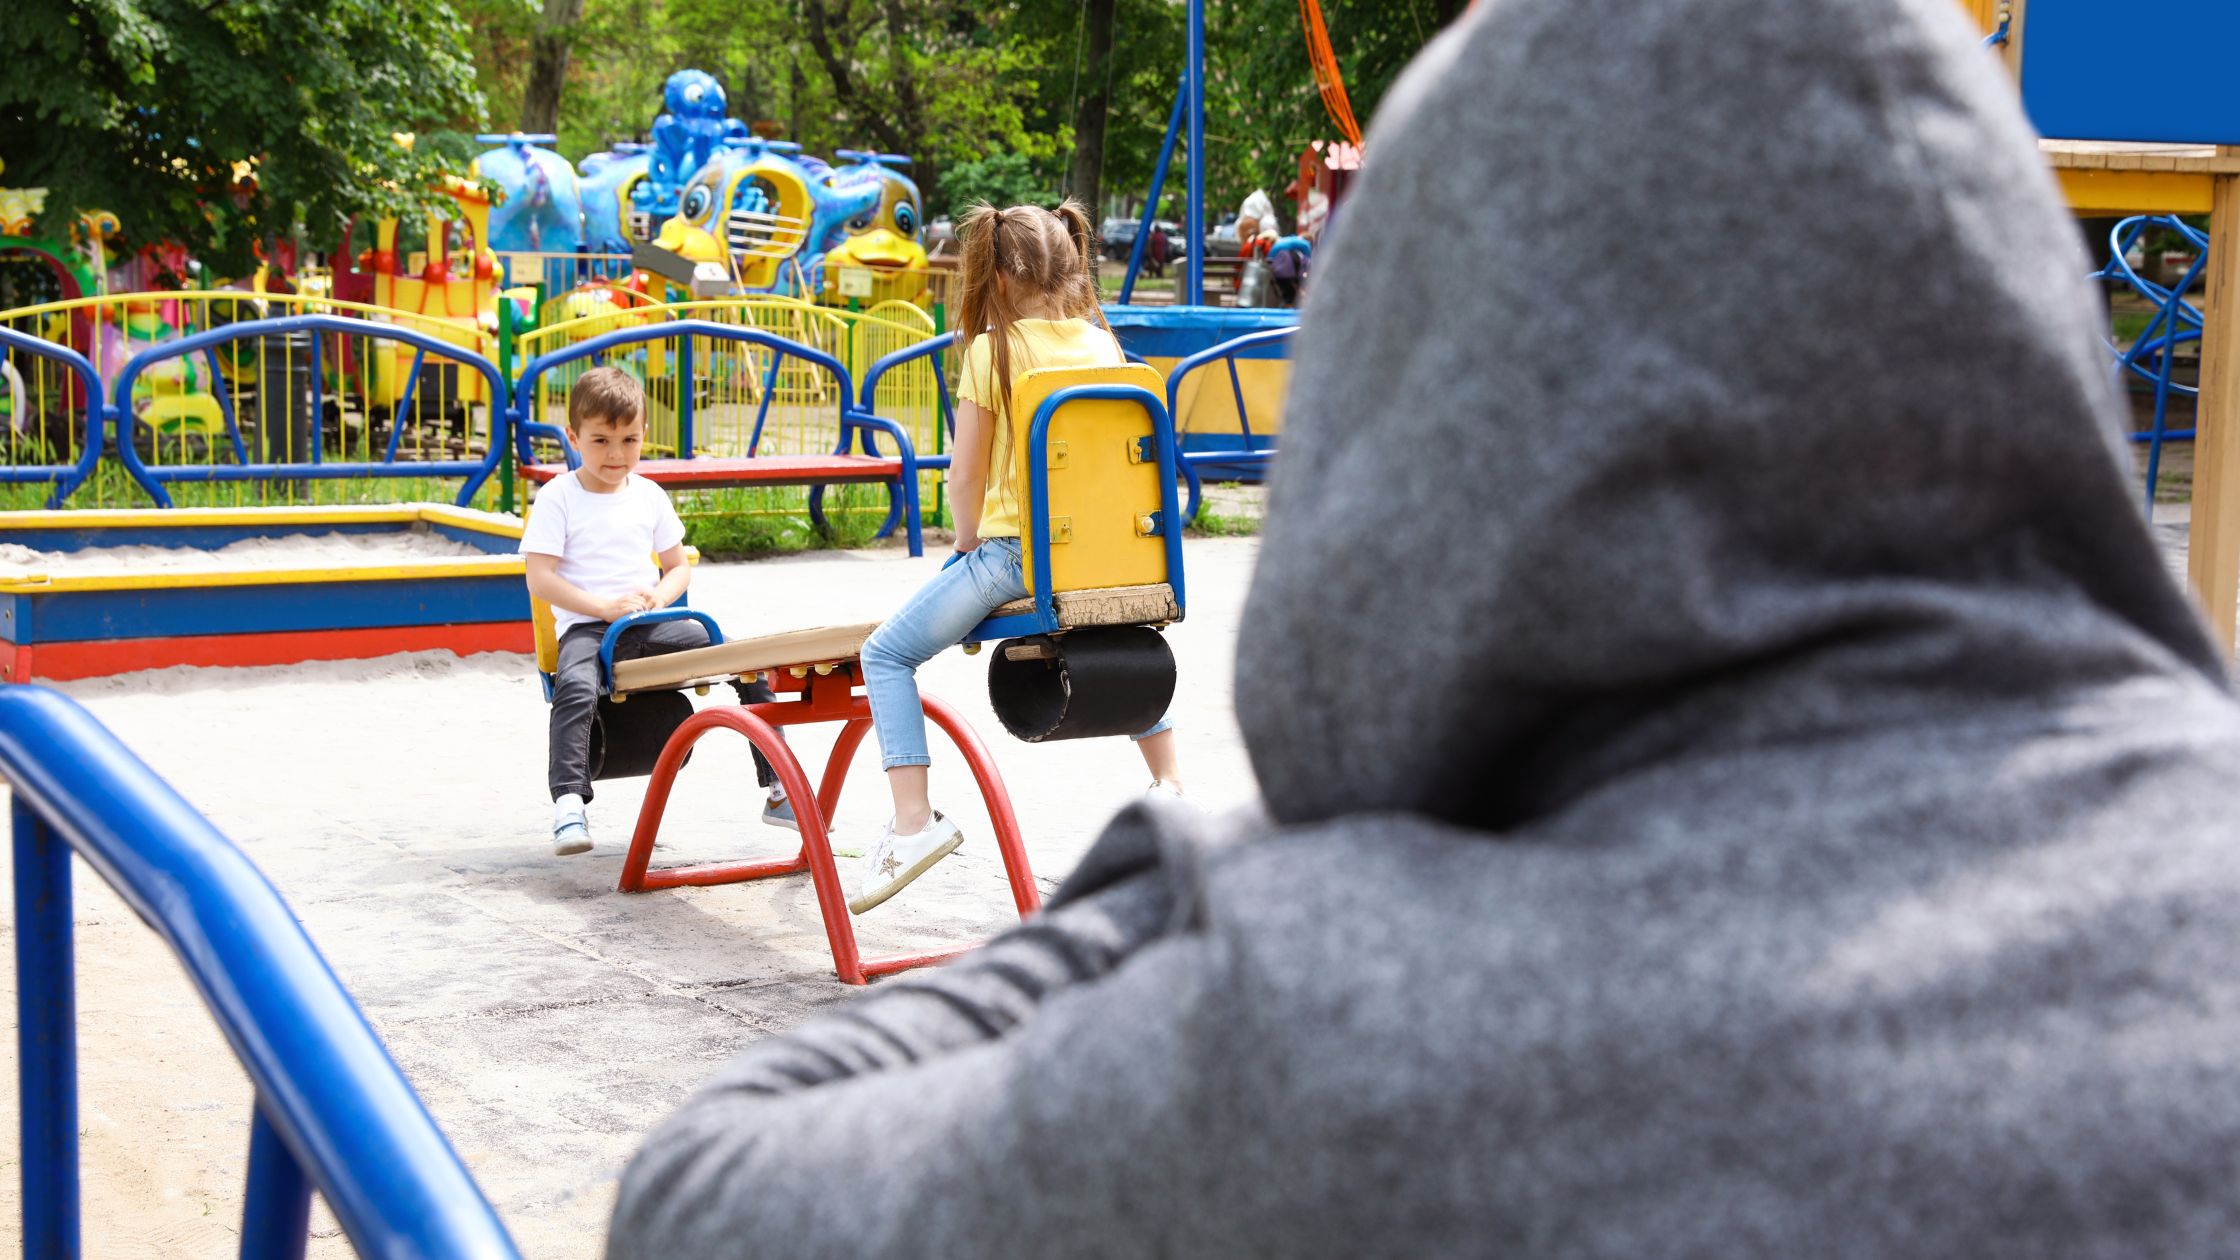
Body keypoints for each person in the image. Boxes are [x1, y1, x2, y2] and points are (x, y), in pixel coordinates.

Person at [609, 0, 2240, 1254]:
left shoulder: (1332, 1025)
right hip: (1111, 579)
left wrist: (1204, 894)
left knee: (892, 650)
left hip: (1019, 599)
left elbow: (701, 1190)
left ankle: (916, 808)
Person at [841, 200, 1186, 915]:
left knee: (884, 654)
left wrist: (965, 546)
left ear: (995, 275)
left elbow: (964, 477)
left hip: (1020, 557)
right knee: (1115, 626)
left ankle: (912, 826)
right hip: (1115, 554)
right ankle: (1171, 786)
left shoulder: (990, 352)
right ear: (1074, 264)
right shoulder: (1104, 348)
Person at [520, 366, 790, 856]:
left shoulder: (648, 495)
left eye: (629, 439)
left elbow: (677, 567)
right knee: (576, 685)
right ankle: (568, 805)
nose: (616, 454)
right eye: (600, 440)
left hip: (648, 625)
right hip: (589, 626)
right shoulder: (560, 496)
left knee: (745, 660)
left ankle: (779, 788)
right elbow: (539, 578)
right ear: (573, 437)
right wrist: (601, 605)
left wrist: (660, 598)